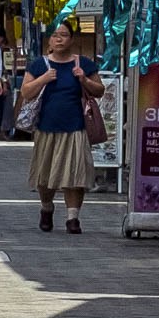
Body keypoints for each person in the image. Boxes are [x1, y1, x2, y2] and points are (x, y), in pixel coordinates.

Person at [19, 23, 102, 232]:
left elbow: (99, 90)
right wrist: (43, 79)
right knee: (45, 176)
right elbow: (26, 92)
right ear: (49, 41)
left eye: (64, 35)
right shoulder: (39, 65)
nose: (59, 39)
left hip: (76, 127)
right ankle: (46, 208)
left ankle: (73, 218)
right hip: (46, 128)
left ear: (71, 40)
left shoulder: (83, 64)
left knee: (76, 175)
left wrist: (83, 79)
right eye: (55, 35)